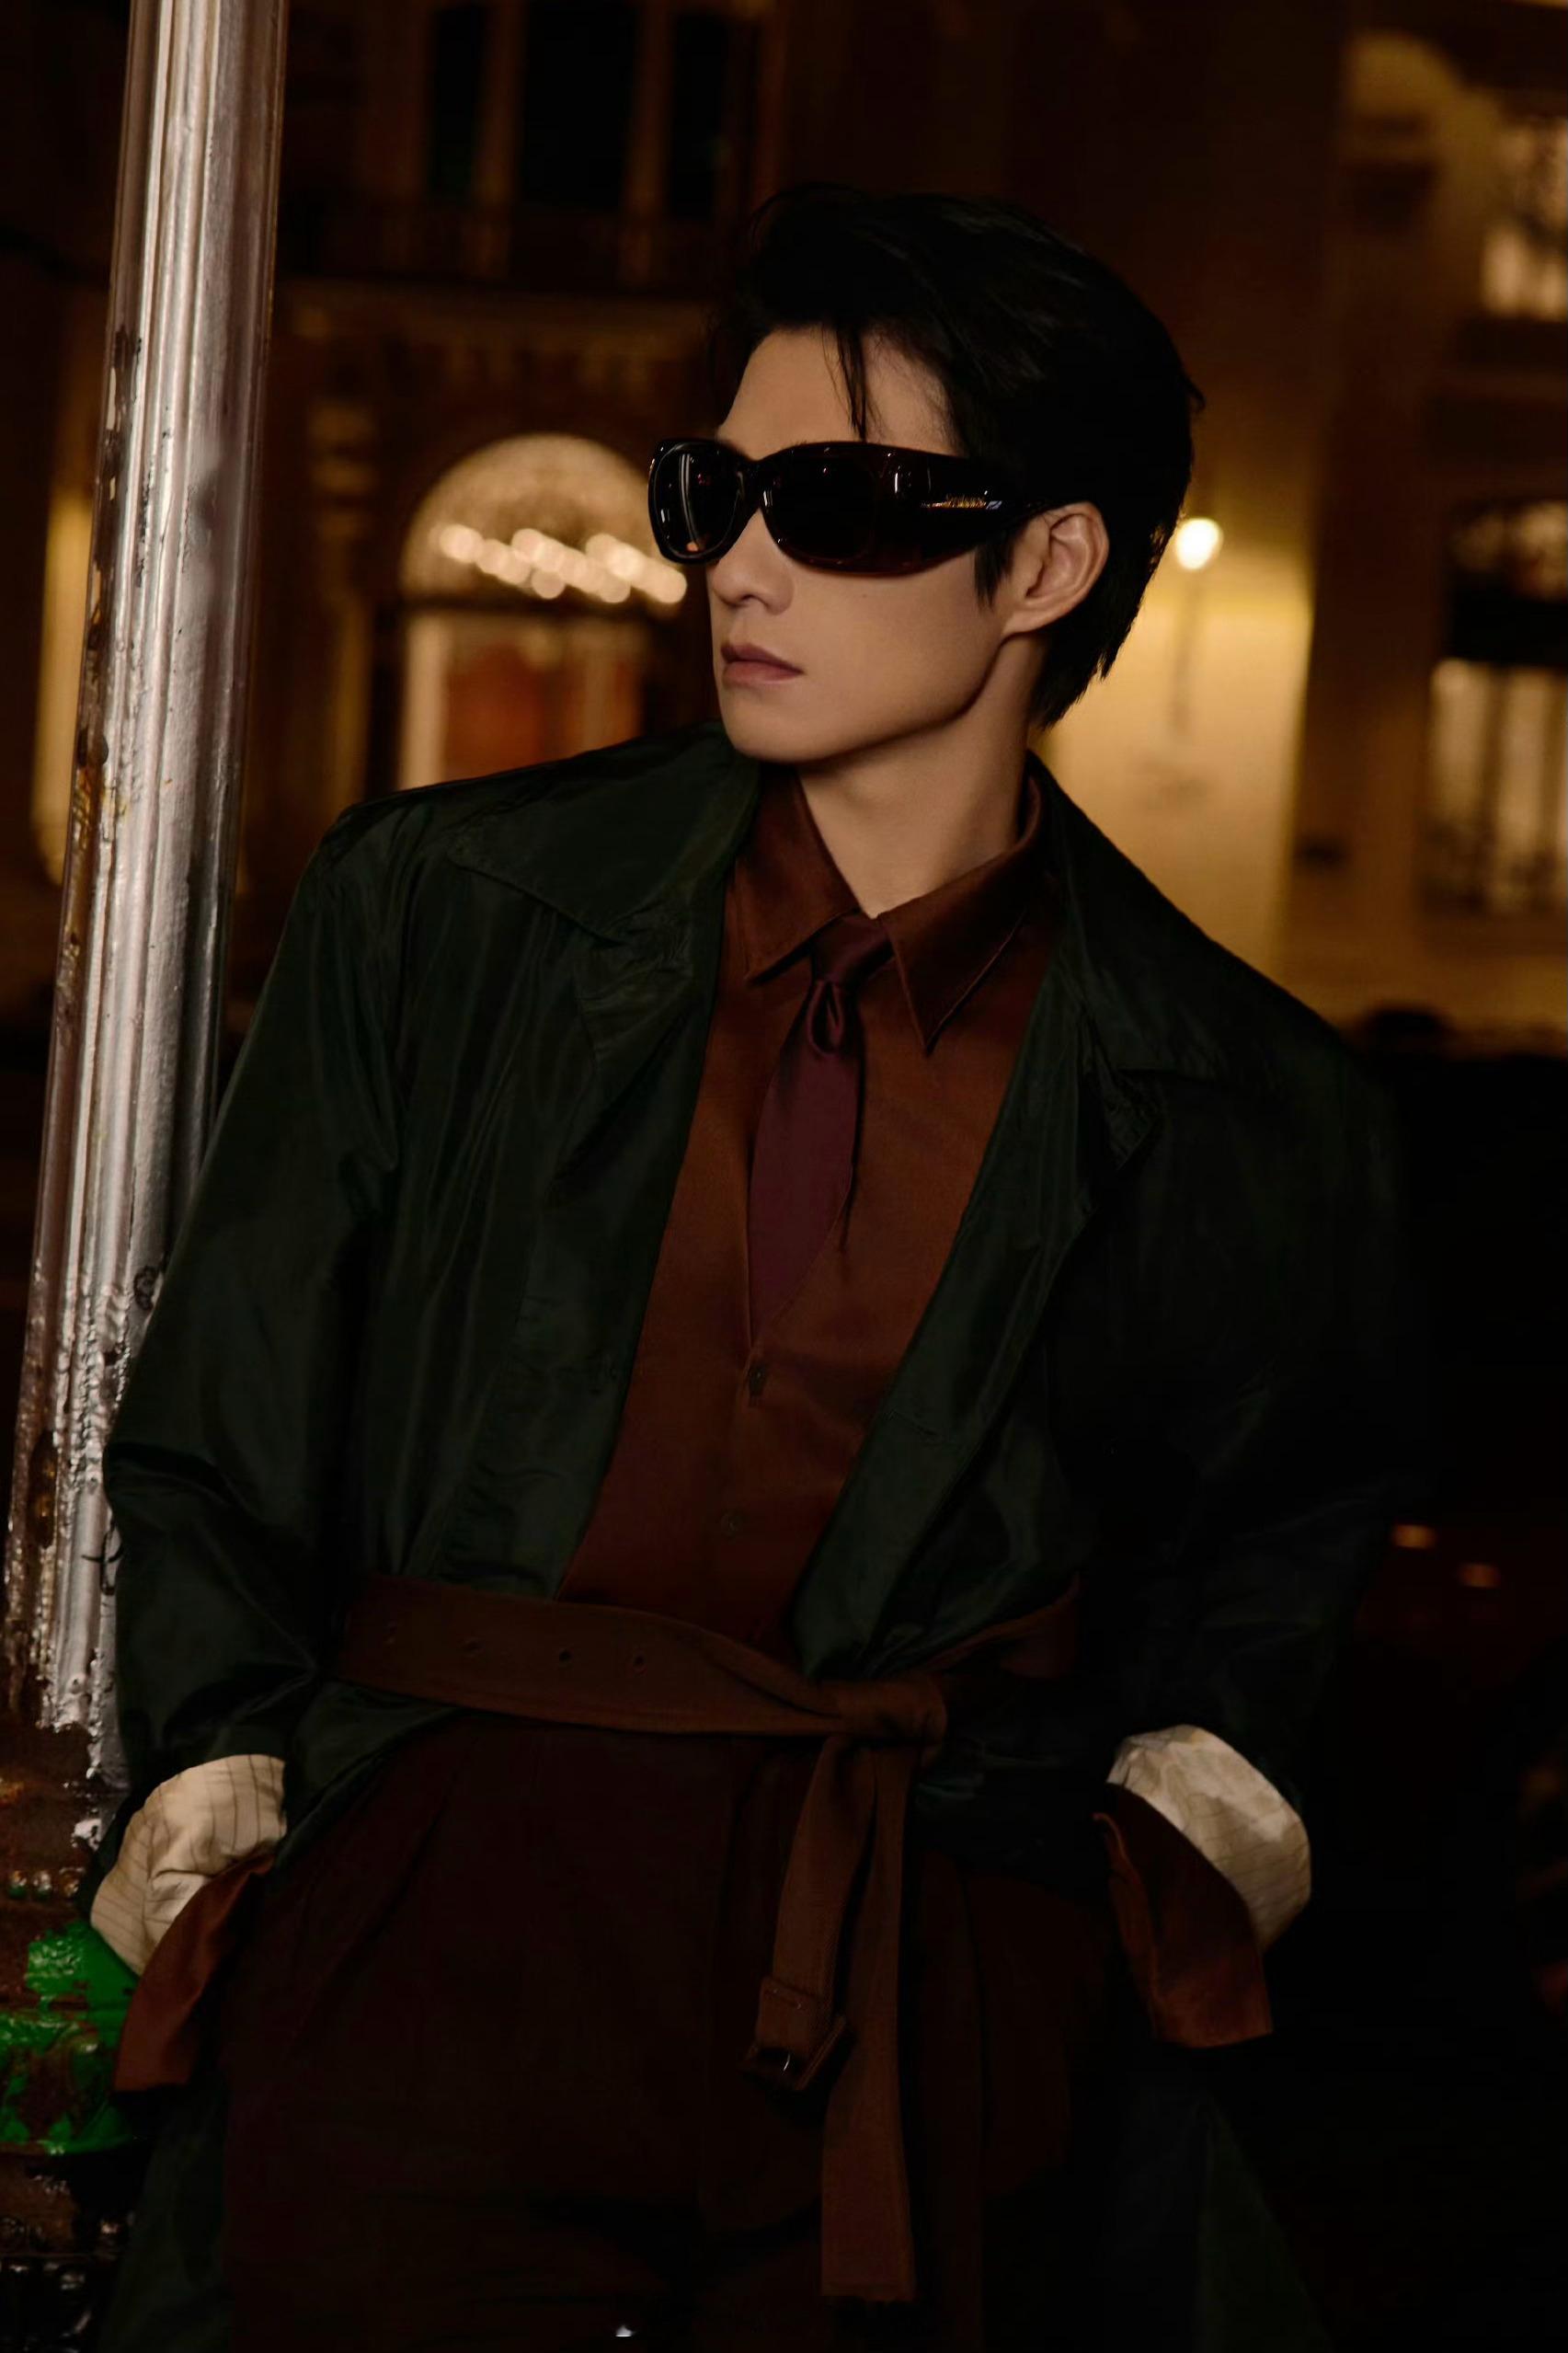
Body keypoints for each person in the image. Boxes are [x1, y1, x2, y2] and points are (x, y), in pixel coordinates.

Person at [79, 184, 1420, 2351]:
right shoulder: (443, 910)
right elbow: (220, 1423)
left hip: (918, 1982)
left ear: (1046, 567)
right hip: (433, 1932)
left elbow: (1273, 1542)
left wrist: (1125, 1873)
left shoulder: (1249, 1096)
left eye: (843, 505)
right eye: (716, 492)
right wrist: (243, 1814)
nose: (741, 564)